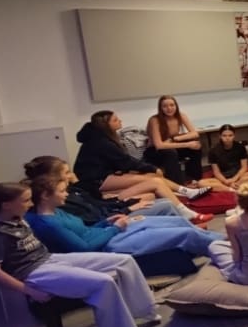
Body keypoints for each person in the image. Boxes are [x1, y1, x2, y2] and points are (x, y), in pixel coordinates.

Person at [0, 182, 159, 327]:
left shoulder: (16, 217)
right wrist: (30, 291)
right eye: (25, 200)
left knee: (124, 260)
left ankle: (144, 309)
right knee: (103, 282)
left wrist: (104, 223)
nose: (30, 204)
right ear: (6, 205)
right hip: (33, 272)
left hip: (49, 258)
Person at [25, 177, 221, 258]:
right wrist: (115, 228)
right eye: (61, 191)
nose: (66, 194)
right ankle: (225, 248)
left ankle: (225, 240)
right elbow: (85, 248)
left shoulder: (58, 211)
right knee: (185, 234)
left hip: (109, 231)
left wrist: (106, 222)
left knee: (177, 221)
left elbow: (86, 230)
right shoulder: (48, 224)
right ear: (45, 196)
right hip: (109, 246)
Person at [74, 111, 210, 219]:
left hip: (104, 176)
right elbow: (126, 162)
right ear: (106, 125)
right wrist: (152, 168)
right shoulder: (101, 142)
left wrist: (147, 169)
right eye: (115, 120)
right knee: (154, 179)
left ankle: (185, 192)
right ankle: (184, 206)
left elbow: (122, 162)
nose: (120, 120)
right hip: (96, 182)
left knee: (152, 176)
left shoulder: (99, 138)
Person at [23, 156, 214, 226]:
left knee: (152, 187)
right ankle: (186, 213)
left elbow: (95, 201)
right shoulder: (65, 196)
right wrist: (126, 207)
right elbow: (95, 212)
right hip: (111, 210)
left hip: (108, 203)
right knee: (154, 183)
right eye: (67, 173)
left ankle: (185, 213)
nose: (71, 174)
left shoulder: (69, 191)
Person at [144, 96, 203, 184]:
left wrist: (174, 138)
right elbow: (159, 145)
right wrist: (187, 144)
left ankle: (194, 179)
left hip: (171, 146)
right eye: (165, 106)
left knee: (196, 145)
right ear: (160, 108)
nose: (169, 108)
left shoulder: (181, 116)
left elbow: (195, 133)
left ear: (176, 106)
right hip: (154, 151)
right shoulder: (155, 120)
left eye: (172, 105)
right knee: (171, 152)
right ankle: (177, 184)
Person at [207, 124, 248, 190]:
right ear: (220, 136)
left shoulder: (240, 147)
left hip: (238, 176)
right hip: (222, 177)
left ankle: (235, 185)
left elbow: (244, 167)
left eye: (230, 135)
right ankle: (231, 189)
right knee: (201, 183)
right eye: (224, 135)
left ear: (234, 136)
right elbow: (216, 172)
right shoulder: (213, 150)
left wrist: (234, 179)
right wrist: (225, 181)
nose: (227, 138)